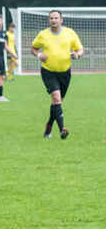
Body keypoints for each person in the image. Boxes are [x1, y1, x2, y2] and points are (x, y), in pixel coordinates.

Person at [31, 9, 84, 139]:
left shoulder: (70, 33)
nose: (53, 20)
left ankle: (49, 125)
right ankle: (62, 130)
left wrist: (77, 54)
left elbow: (80, 49)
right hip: (48, 72)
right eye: (51, 18)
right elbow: (33, 48)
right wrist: (38, 55)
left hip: (65, 73)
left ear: (61, 20)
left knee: (57, 103)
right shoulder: (43, 34)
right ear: (48, 20)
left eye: (56, 18)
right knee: (56, 99)